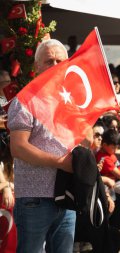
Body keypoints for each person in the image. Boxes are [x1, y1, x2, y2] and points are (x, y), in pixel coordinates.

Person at [8, 39, 75, 253]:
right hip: (34, 198)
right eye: (49, 61)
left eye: (59, 60)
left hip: (67, 196)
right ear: (37, 66)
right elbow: (18, 147)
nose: (55, 65)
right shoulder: (25, 100)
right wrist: (61, 163)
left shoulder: (71, 101)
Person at [96, 129, 120, 202]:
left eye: (116, 147)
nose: (115, 150)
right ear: (104, 145)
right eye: (113, 147)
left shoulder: (108, 151)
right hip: (116, 181)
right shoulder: (105, 159)